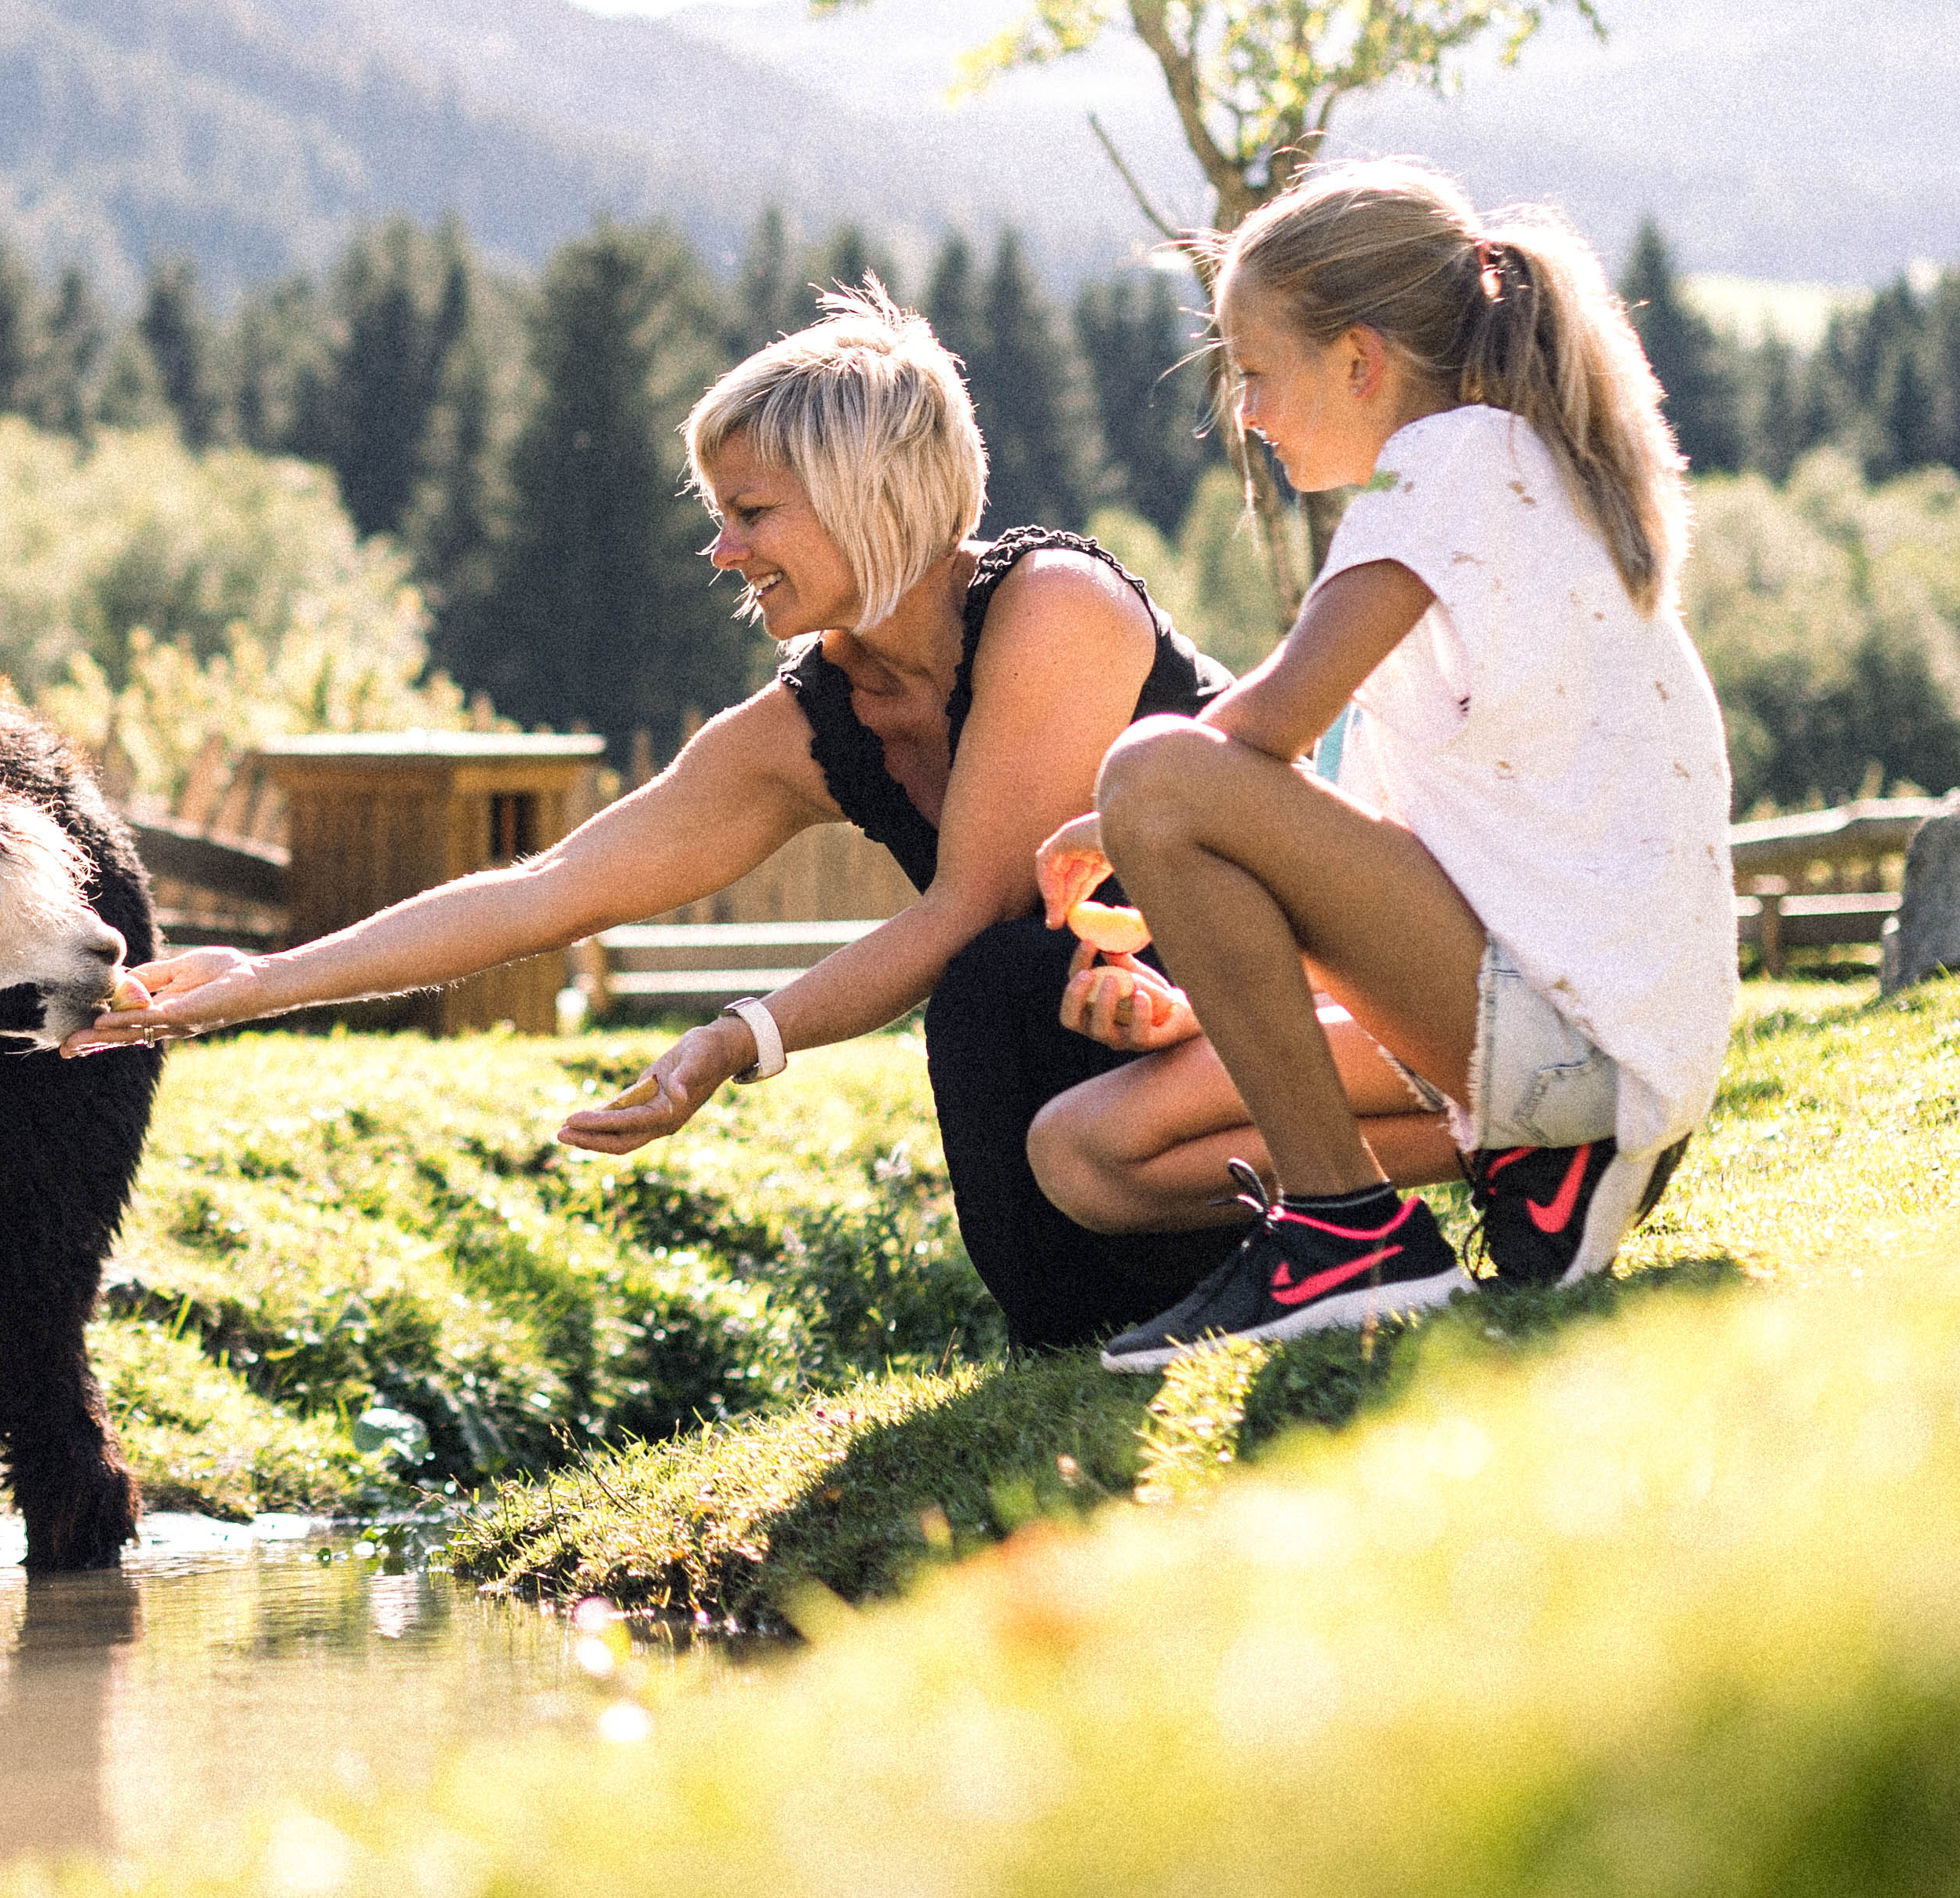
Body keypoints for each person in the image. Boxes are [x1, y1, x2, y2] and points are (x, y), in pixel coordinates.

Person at [82, 281, 1241, 1350]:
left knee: (993, 975)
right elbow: (551, 889)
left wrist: (739, 1036)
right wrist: (262, 980)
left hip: (1292, 995)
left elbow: (969, 905)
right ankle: (1083, 1351)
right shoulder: (810, 727)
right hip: (1118, 1048)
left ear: (866, 499)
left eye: (750, 512)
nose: (722, 548)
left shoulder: (1054, 607)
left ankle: (1275, 1270)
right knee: (1001, 995)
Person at [1023, 160, 1733, 1371]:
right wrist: (1209, 1007)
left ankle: (1348, 1237)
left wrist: (1105, 821)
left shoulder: (1450, 462)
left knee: (1155, 769)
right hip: (1571, 1047)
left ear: (1359, 362)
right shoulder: (1501, 473)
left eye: (1254, 371)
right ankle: (1521, 1174)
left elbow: (1270, 724)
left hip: (1576, 1039)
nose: (1242, 410)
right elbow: (1396, 883)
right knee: (1081, 1153)